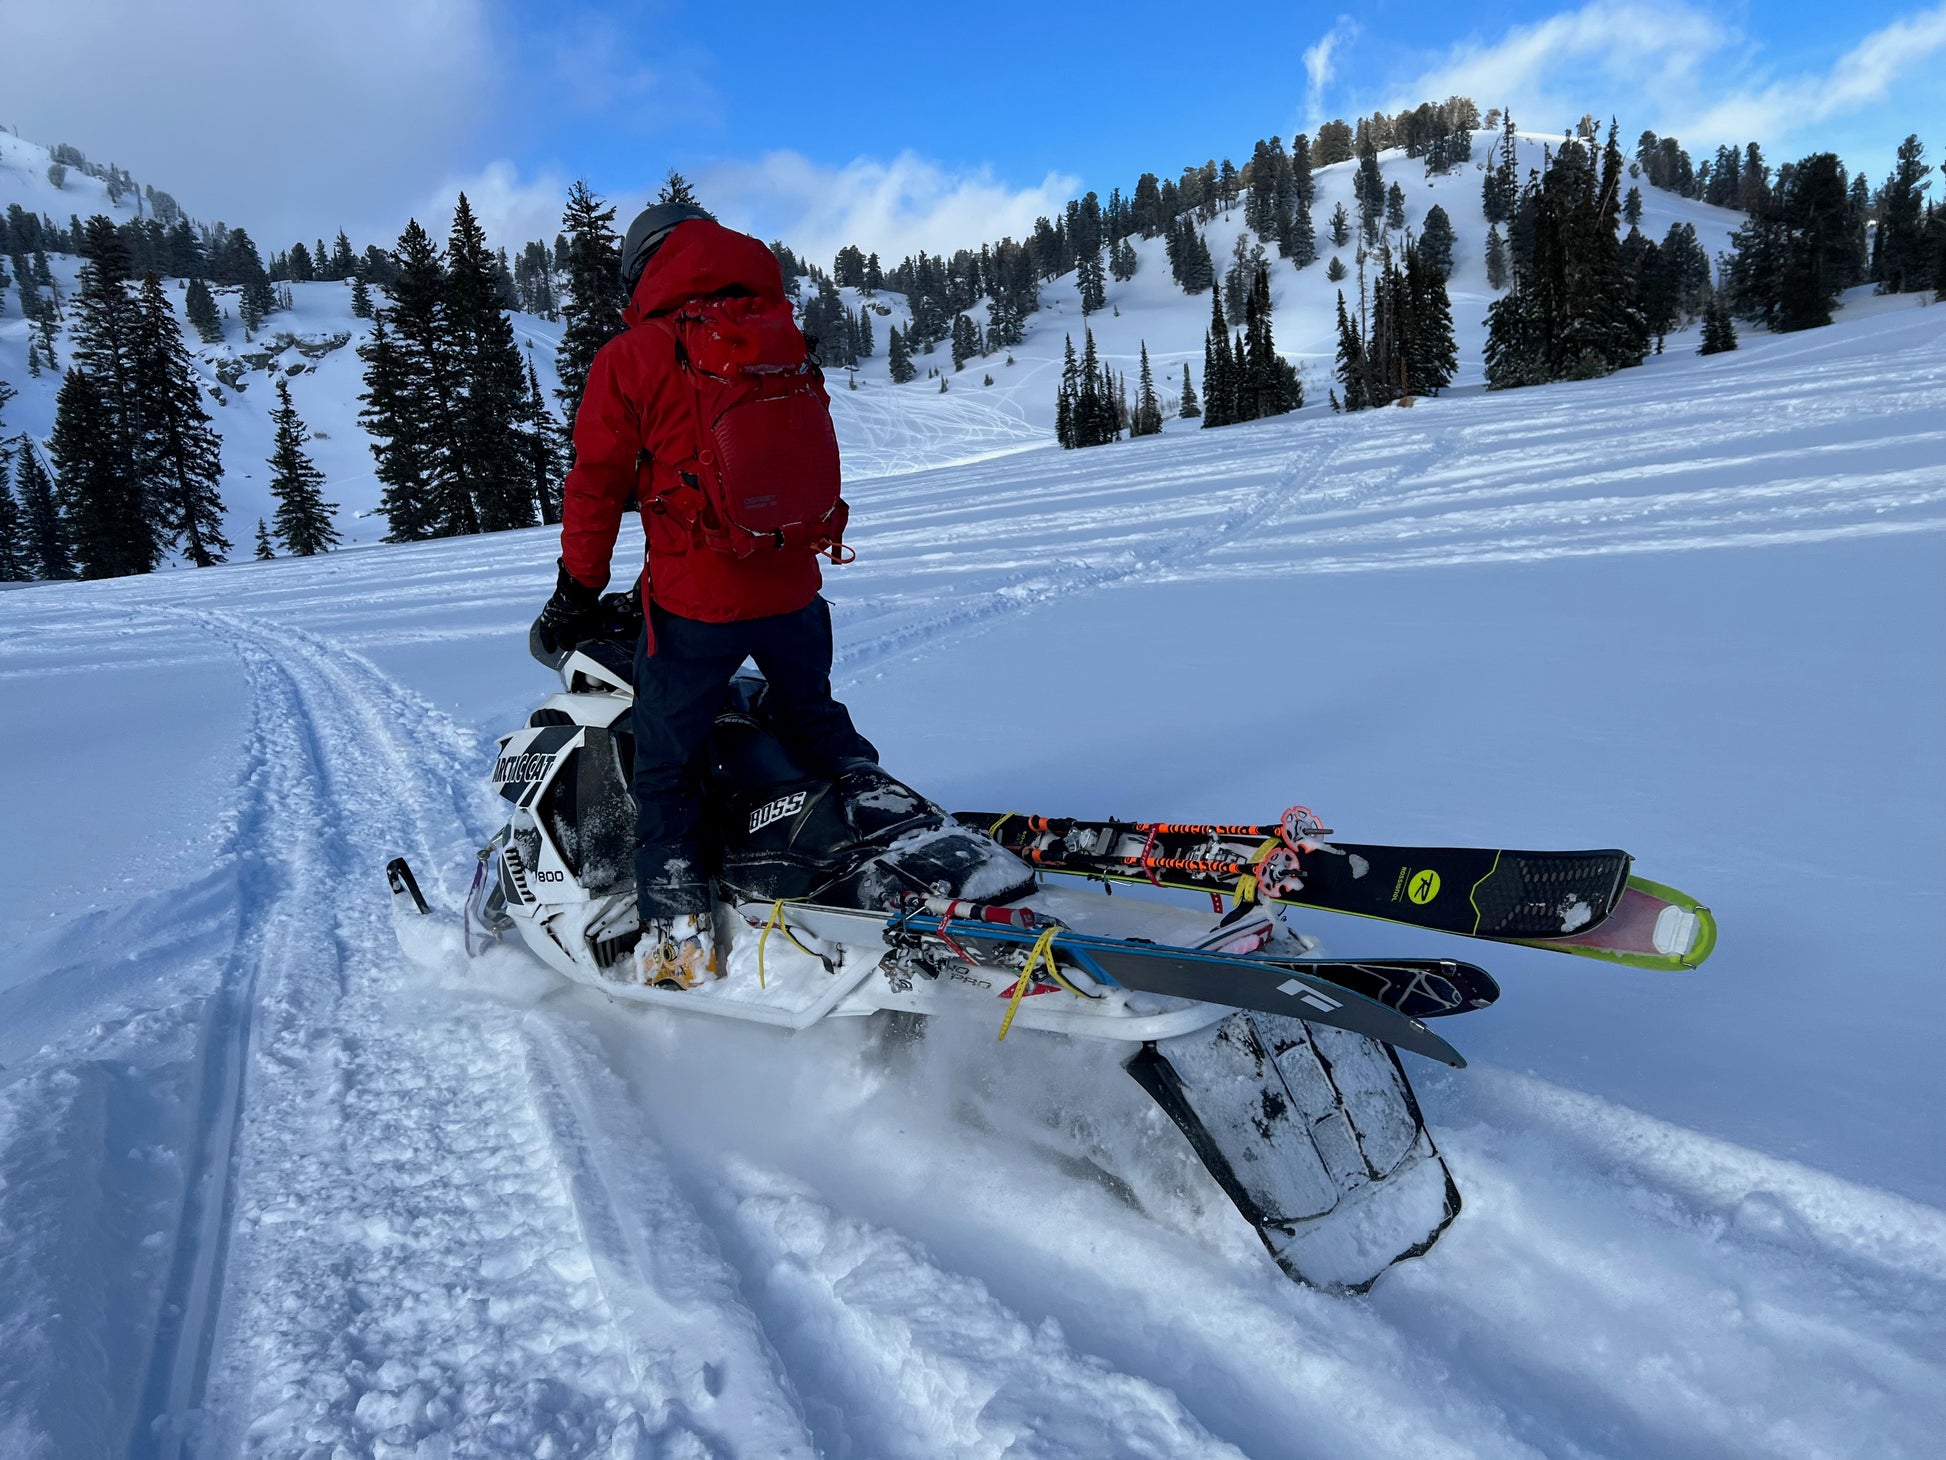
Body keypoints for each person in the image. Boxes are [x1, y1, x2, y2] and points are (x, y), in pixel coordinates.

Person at [532, 203, 879, 989]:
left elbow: (594, 491)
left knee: (667, 767)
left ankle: (679, 945)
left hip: (696, 604)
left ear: (642, 268)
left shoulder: (634, 355)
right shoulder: (777, 328)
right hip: (794, 582)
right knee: (811, 717)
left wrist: (574, 595)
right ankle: (879, 829)